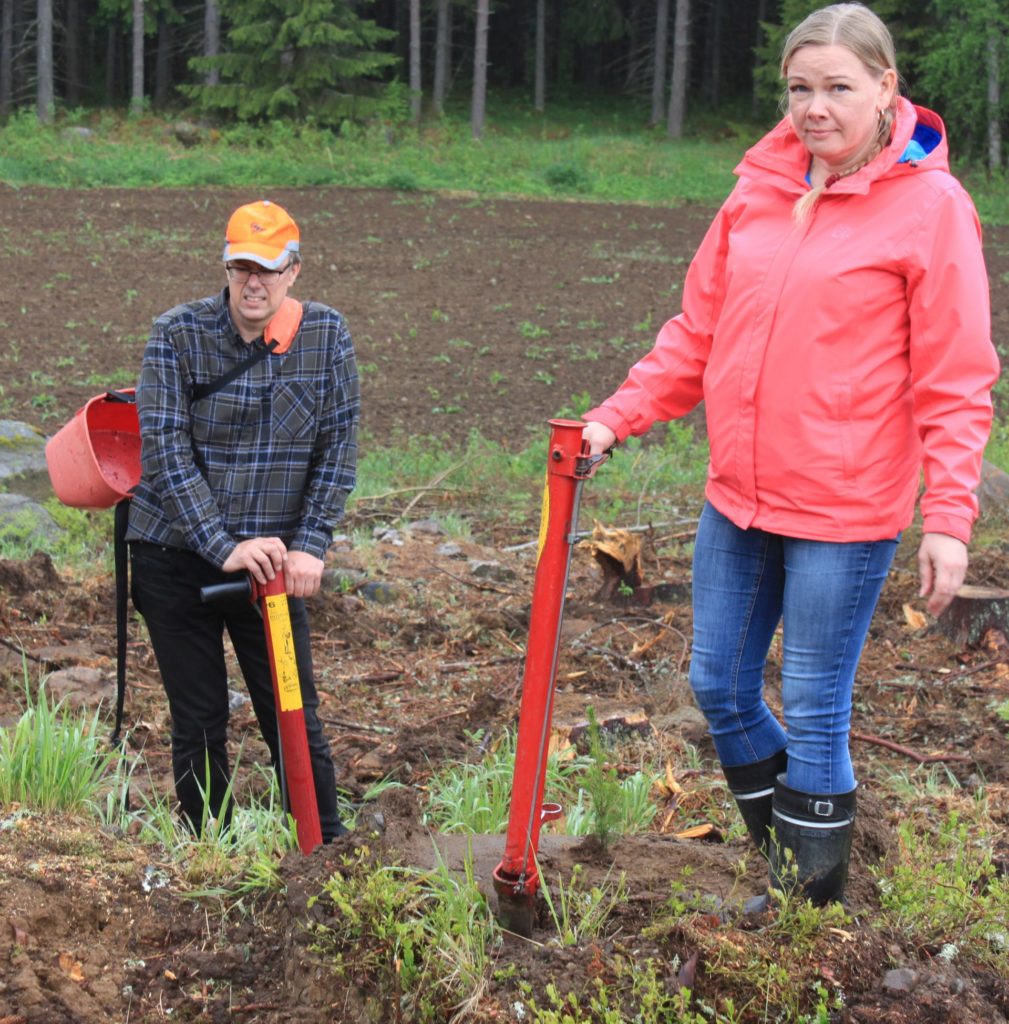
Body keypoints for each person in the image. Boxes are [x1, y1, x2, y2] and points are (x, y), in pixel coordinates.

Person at [582, 3, 999, 905]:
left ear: (885, 88)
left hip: (843, 511)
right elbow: (696, 333)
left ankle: (805, 910)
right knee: (718, 686)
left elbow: (956, 378)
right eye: (799, 88)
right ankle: (794, 867)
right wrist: (614, 418)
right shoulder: (757, 192)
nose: (814, 107)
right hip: (737, 495)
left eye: (837, 88)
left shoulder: (931, 208)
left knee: (813, 708)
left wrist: (949, 520)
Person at [126, 199, 360, 841]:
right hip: (174, 554)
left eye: (267, 268)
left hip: (274, 571)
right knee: (199, 716)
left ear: (294, 271)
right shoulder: (176, 334)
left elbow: (338, 447)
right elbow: (165, 453)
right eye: (241, 268)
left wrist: (310, 545)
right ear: (226, 268)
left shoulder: (326, 336)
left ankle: (325, 849)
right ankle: (211, 854)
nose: (253, 282)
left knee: (291, 707)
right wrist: (221, 544)